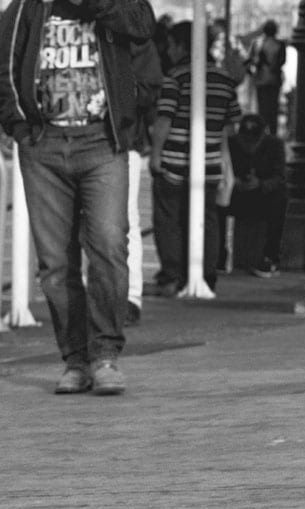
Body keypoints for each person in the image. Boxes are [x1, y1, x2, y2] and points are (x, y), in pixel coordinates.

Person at [0, 0, 156, 396]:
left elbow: (142, 25)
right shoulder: (29, 8)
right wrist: (20, 126)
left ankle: (105, 356)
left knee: (109, 246)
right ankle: (76, 360)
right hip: (44, 147)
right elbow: (5, 68)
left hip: (103, 143)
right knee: (55, 263)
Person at [149, 20, 242, 298]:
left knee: (169, 220)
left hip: (174, 160)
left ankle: (172, 276)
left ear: (179, 45)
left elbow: (164, 119)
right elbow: (231, 126)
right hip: (211, 161)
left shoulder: (175, 78)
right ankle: (206, 273)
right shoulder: (225, 80)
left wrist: (156, 154)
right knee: (208, 219)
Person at [125, 38, 164, 327]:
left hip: (120, 139)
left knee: (124, 222)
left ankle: (128, 296)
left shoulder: (129, 24)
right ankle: (125, 297)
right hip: (122, 137)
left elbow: (150, 87)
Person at [226, 113, 287, 277]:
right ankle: (218, 255)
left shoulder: (275, 145)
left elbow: (280, 177)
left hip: (262, 194)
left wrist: (260, 184)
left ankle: (269, 257)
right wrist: (234, 182)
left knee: (279, 200)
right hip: (236, 194)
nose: (249, 146)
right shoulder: (232, 145)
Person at [246, 20, 286, 136]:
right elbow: (282, 61)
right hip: (274, 80)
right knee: (273, 108)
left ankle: (261, 131)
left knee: (262, 108)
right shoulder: (280, 44)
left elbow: (251, 60)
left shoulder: (257, 43)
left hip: (260, 79)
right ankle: (273, 132)